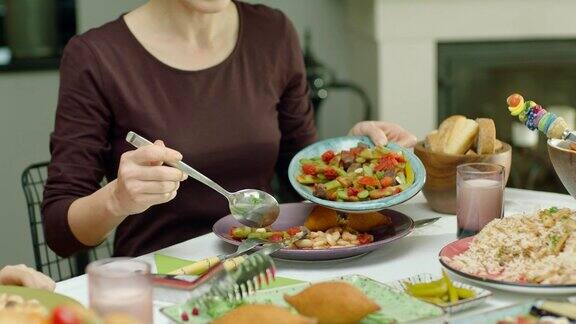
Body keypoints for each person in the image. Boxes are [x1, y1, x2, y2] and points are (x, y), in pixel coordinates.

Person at [42, 0, 417, 257]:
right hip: (160, 282)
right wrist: (117, 199)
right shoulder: (96, 56)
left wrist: (353, 160)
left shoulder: (273, 33)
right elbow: (61, 232)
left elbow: (299, 181)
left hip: (263, 266)